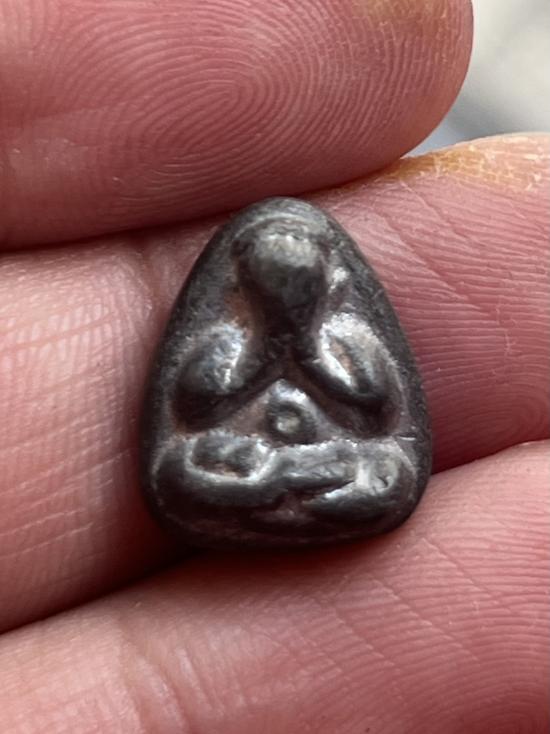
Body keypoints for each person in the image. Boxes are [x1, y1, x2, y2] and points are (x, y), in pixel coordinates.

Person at [0, 1, 548, 731]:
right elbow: (195, 411)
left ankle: (280, 493)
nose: (286, 303)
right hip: (244, 462)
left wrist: (309, 357)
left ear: (324, 284)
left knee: (384, 473)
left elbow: (376, 416)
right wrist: (261, 353)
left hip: (321, 463)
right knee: (181, 471)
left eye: (298, 290)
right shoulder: (229, 337)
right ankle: (276, 492)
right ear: (252, 289)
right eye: (271, 290)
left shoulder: (341, 337)